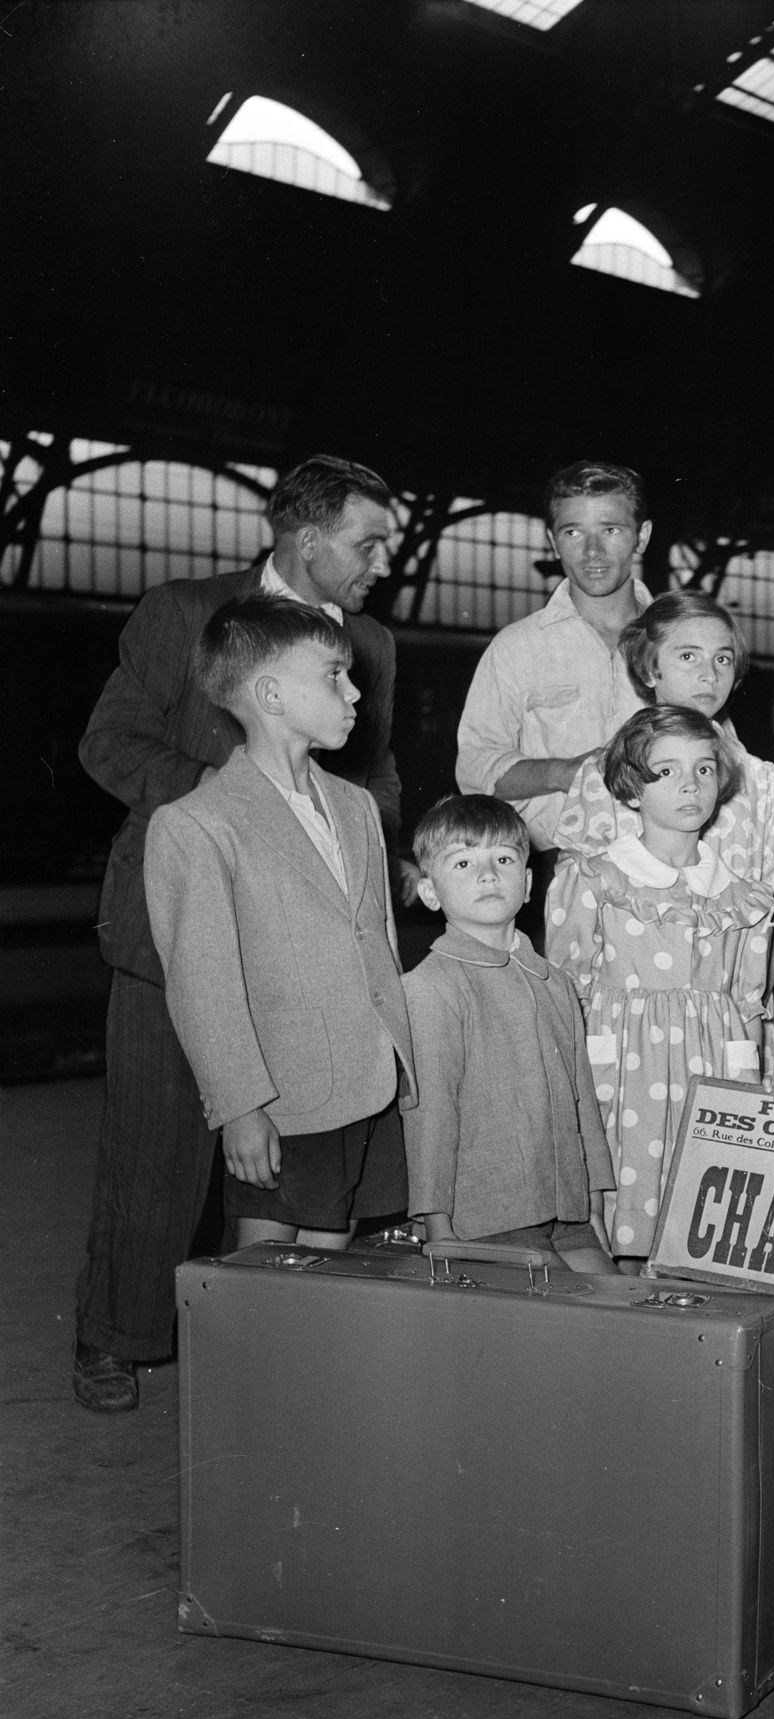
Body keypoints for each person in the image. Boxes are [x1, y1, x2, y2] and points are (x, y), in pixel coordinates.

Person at [72, 454, 402, 1413]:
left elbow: (373, 772)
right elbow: (109, 742)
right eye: (366, 541)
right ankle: (114, 1338)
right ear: (305, 539)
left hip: (305, 953)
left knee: (288, 1169)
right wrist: (234, 812)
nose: (382, 560)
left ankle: (262, 1360)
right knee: (158, 1148)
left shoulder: (370, 642)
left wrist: (385, 847)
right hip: (169, 931)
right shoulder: (182, 612)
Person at [143, 596, 415, 1251]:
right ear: (270, 694)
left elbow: (376, 940)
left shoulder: (355, 807)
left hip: (371, 1079)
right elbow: (202, 986)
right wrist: (239, 1107)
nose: (355, 691)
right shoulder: (198, 826)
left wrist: (408, 1059)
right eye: (333, 675)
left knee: (334, 1272)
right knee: (265, 1283)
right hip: (286, 1099)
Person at [545, 705, 774, 1263]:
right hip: (620, 1071)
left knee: (703, 1220)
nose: (689, 786)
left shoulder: (741, 897)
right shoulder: (596, 877)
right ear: (631, 788)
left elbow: (748, 1006)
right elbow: (565, 990)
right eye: (666, 771)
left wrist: (749, 1098)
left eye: (703, 769)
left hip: (714, 1069)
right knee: (621, 1215)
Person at [549, 591, 774, 1074]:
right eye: (688, 656)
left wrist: (743, 1004)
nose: (709, 674)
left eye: (723, 659)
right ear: (650, 669)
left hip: (726, 1019)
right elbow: (574, 918)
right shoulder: (601, 772)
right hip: (625, 1024)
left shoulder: (761, 779)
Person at [401, 794, 615, 1272]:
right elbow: (429, 1114)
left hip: (568, 1208)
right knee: (565, 1320)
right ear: (431, 892)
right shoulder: (430, 986)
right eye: (463, 862)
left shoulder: (553, 981)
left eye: (503, 858)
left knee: (617, 1312)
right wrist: (438, 1225)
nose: (488, 874)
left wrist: (596, 1206)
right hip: (487, 1215)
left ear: (528, 883)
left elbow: (584, 1101)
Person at [455, 460, 654, 850]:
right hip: (559, 871)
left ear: (641, 537)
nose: (592, 551)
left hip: (671, 871)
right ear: (553, 541)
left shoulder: (679, 640)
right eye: (573, 531)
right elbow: (475, 770)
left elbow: (727, 760)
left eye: (610, 530)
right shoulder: (517, 647)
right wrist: (563, 772)